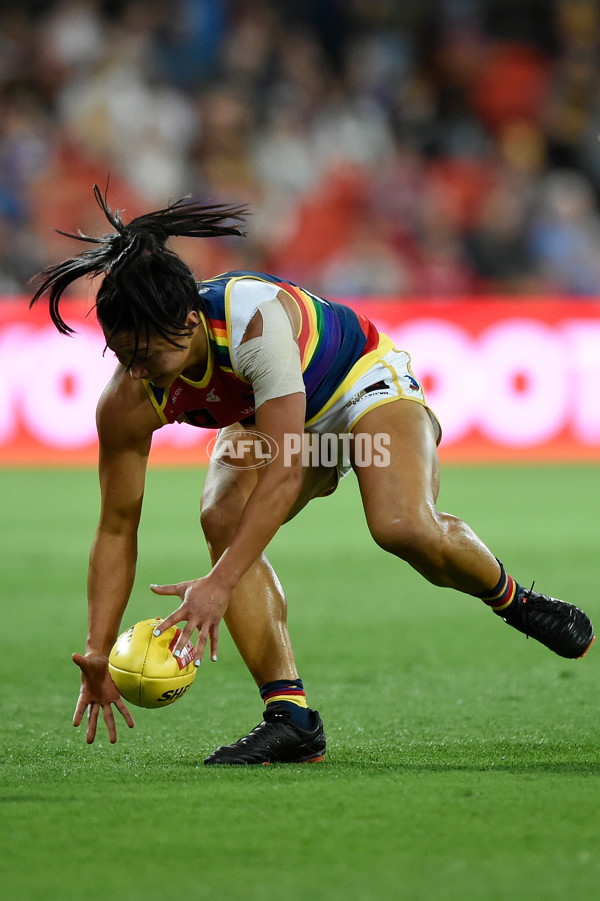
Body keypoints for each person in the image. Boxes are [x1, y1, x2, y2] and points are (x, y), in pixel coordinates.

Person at [31, 186, 595, 765]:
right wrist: (98, 648)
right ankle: (291, 719)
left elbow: (283, 470)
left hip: (357, 385)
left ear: (190, 320)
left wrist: (219, 585)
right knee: (221, 514)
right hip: (268, 413)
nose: (136, 370)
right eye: (124, 356)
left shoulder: (252, 324)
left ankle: (514, 601)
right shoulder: (127, 396)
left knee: (402, 526)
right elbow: (117, 527)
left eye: (146, 354)